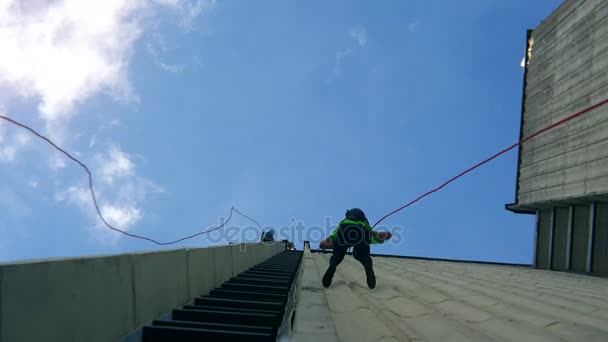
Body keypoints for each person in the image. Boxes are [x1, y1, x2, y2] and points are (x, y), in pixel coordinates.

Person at [319, 208, 392, 289]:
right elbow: (387, 235)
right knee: (360, 254)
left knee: (338, 254)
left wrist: (337, 245)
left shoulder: (343, 223)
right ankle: (366, 262)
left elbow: (322, 245)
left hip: (344, 228)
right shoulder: (365, 225)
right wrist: (374, 233)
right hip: (362, 230)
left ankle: (334, 263)